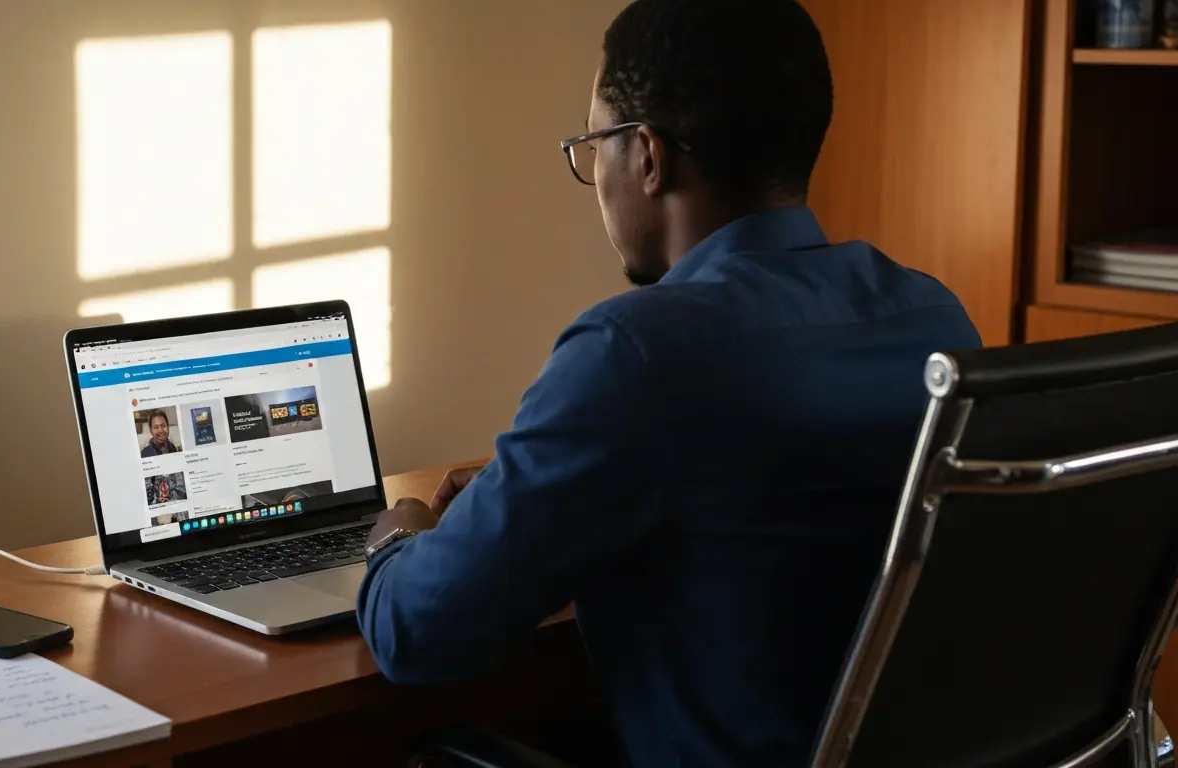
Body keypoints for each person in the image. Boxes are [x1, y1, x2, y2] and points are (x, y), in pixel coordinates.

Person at [356, 1, 982, 766]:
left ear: (648, 156)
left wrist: (402, 537)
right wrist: (540, 487)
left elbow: (420, 635)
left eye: (595, 146)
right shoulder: (932, 318)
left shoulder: (636, 352)